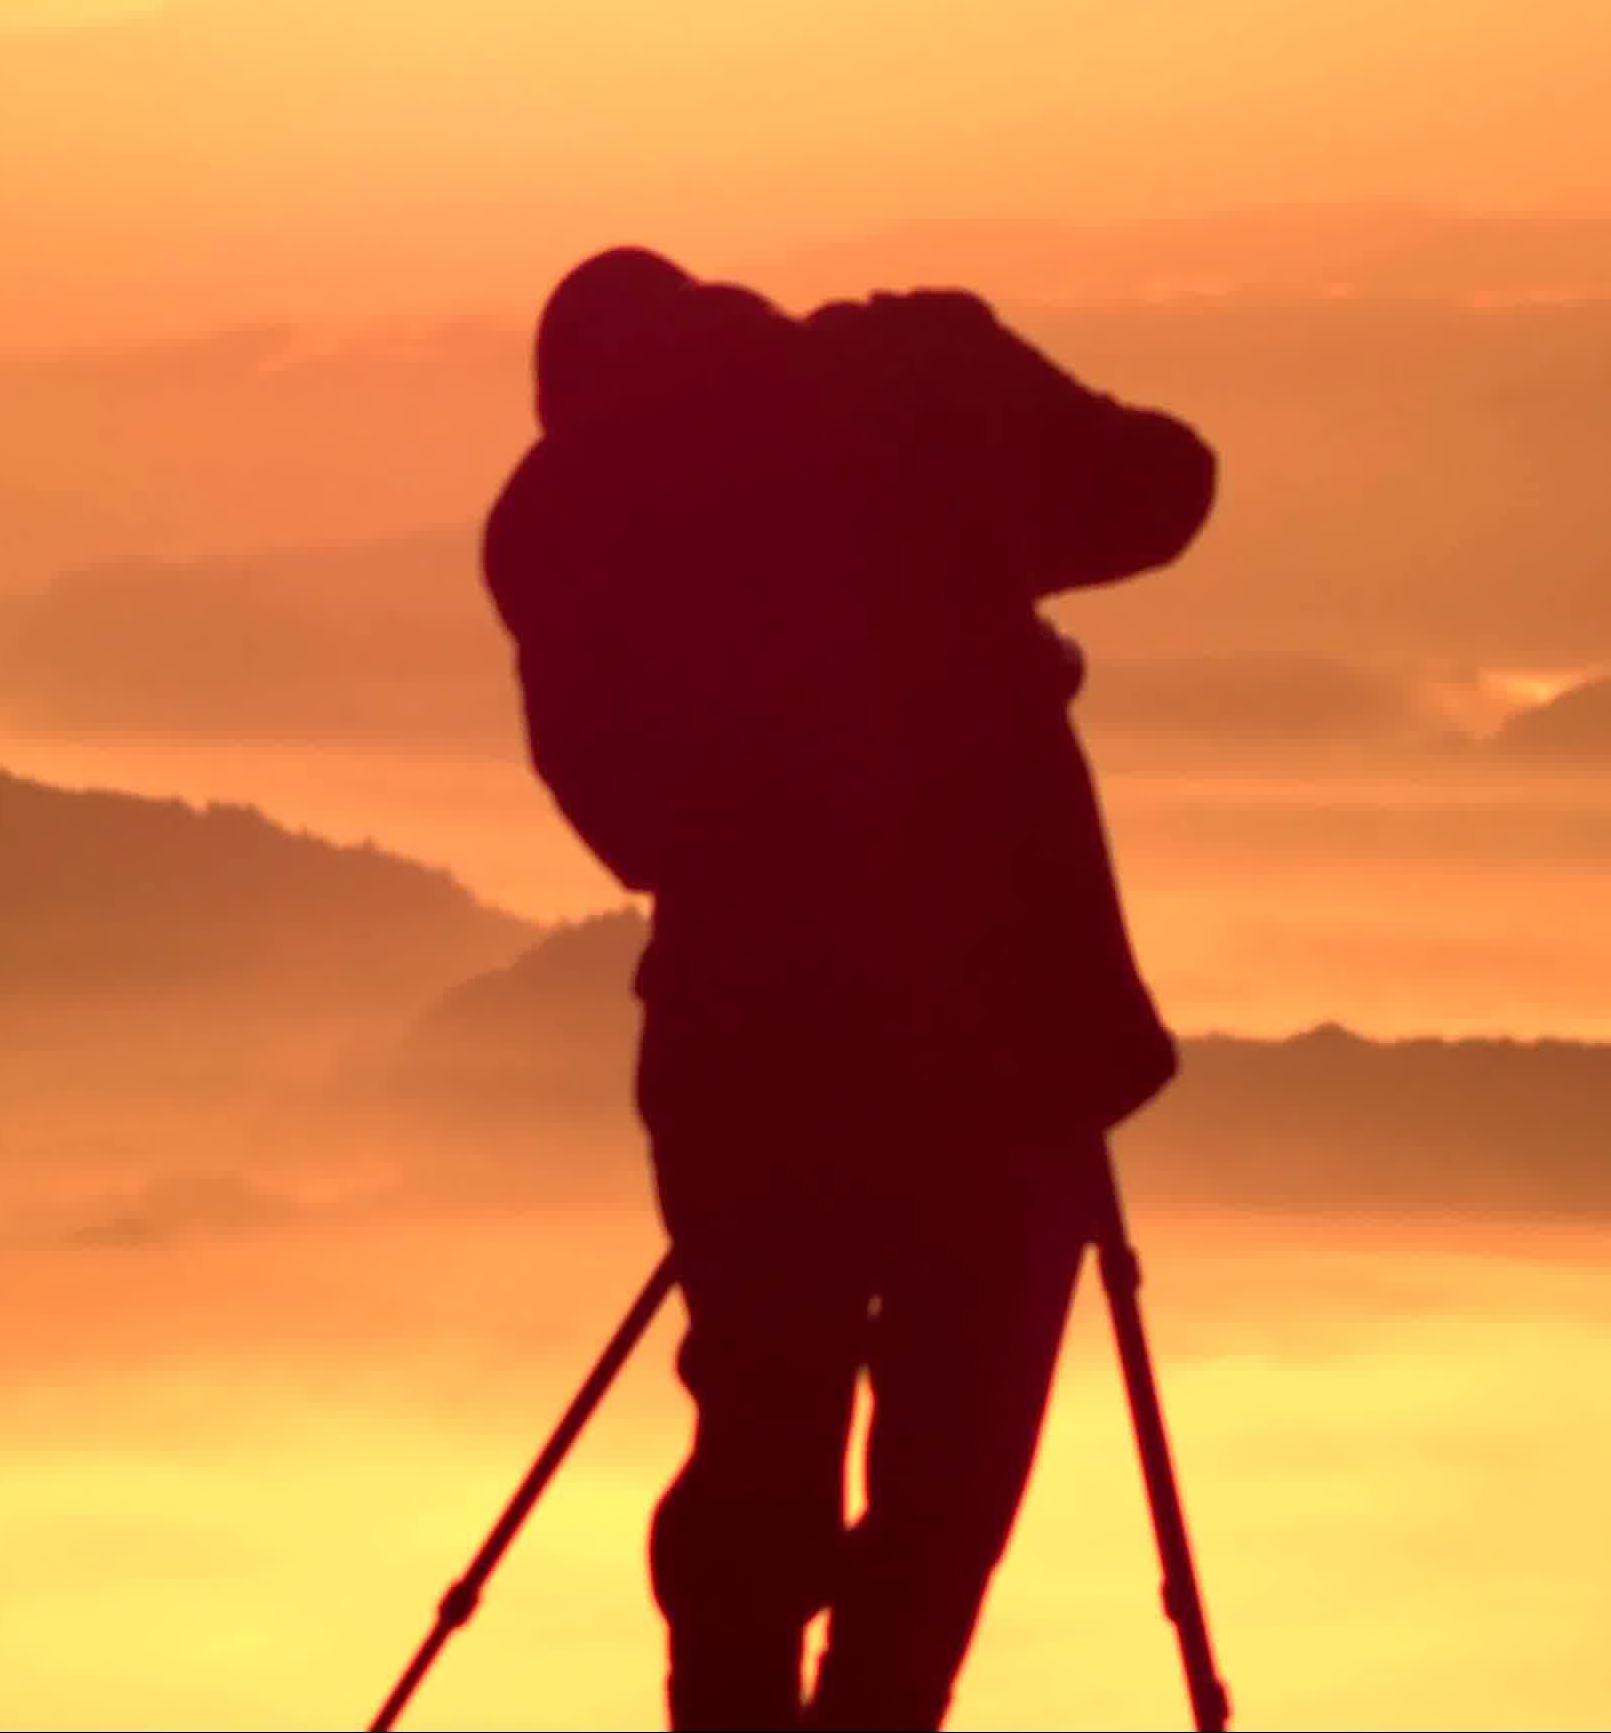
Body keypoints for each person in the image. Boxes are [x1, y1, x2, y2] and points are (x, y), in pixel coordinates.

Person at [481, 245, 1217, 1730]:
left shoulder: (563, 524)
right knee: (954, 1458)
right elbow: (1166, 483)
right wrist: (994, 601)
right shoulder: (914, 378)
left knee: (761, 1435)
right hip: (1006, 1027)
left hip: (750, 1049)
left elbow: (627, 824)